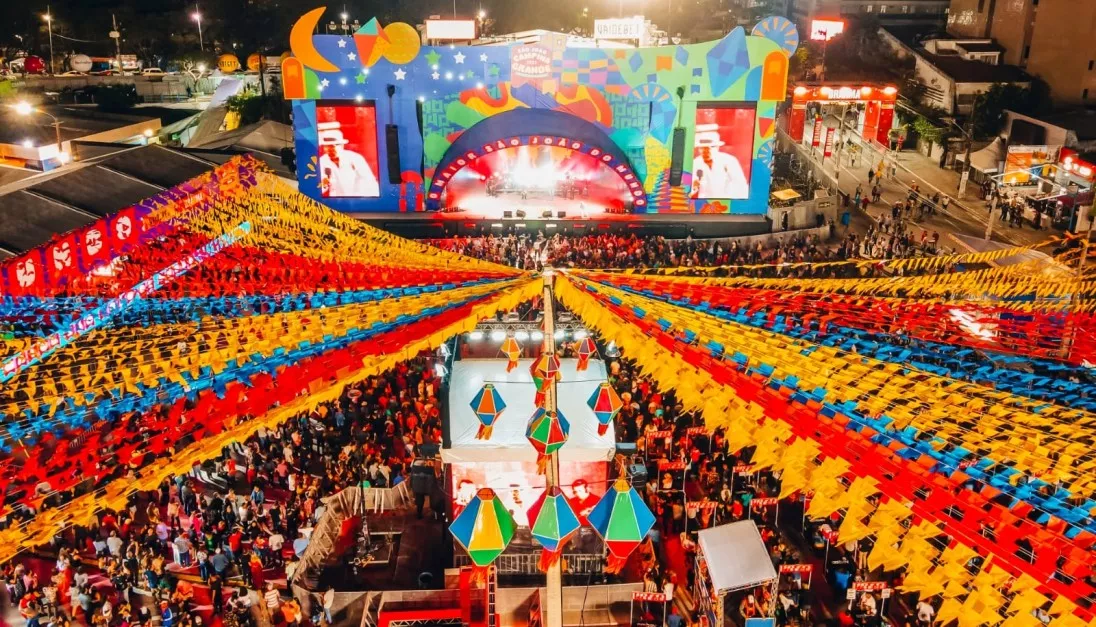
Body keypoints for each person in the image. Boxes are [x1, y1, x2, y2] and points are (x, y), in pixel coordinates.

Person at [318, 122, 380, 198]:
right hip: (337, 202)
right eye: (327, 147)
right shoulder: (322, 162)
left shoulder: (355, 158)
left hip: (358, 199)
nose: (330, 149)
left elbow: (370, 182)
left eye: (333, 146)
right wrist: (324, 184)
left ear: (342, 145)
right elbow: (321, 187)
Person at [690, 124, 749, 199]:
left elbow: (741, 187)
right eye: (702, 148)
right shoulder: (696, 163)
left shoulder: (729, 161)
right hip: (704, 205)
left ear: (717, 147)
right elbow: (690, 189)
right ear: (698, 149)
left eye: (711, 147)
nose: (706, 151)